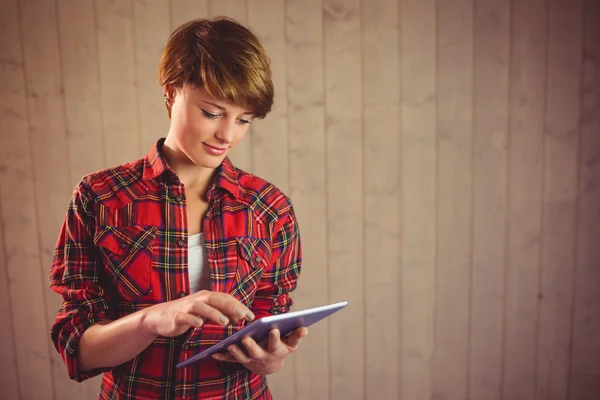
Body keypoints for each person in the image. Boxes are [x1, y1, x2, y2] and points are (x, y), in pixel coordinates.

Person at [49, 17, 306, 399]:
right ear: (171, 93)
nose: (228, 135)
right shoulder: (99, 197)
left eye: (244, 119)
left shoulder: (270, 208)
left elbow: (271, 321)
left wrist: (271, 358)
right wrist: (151, 320)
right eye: (213, 112)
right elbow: (78, 350)